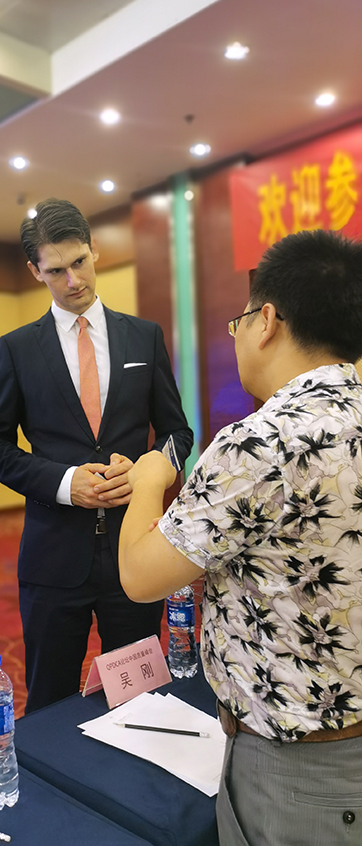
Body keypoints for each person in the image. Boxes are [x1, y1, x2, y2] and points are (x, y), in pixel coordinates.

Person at [119, 229, 362, 845]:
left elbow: (141, 576)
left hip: (298, 766)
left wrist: (149, 480)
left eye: (239, 321)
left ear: (267, 321)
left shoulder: (262, 441)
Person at [0, 198, 193, 713]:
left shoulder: (144, 336)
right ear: (35, 271)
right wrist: (64, 482)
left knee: (140, 696)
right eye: (56, 271)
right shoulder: (18, 348)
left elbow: (177, 433)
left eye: (79, 262)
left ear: (95, 249)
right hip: (53, 557)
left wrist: (147, 472)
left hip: (134, 549)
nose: (73, 280)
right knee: (49, 701)